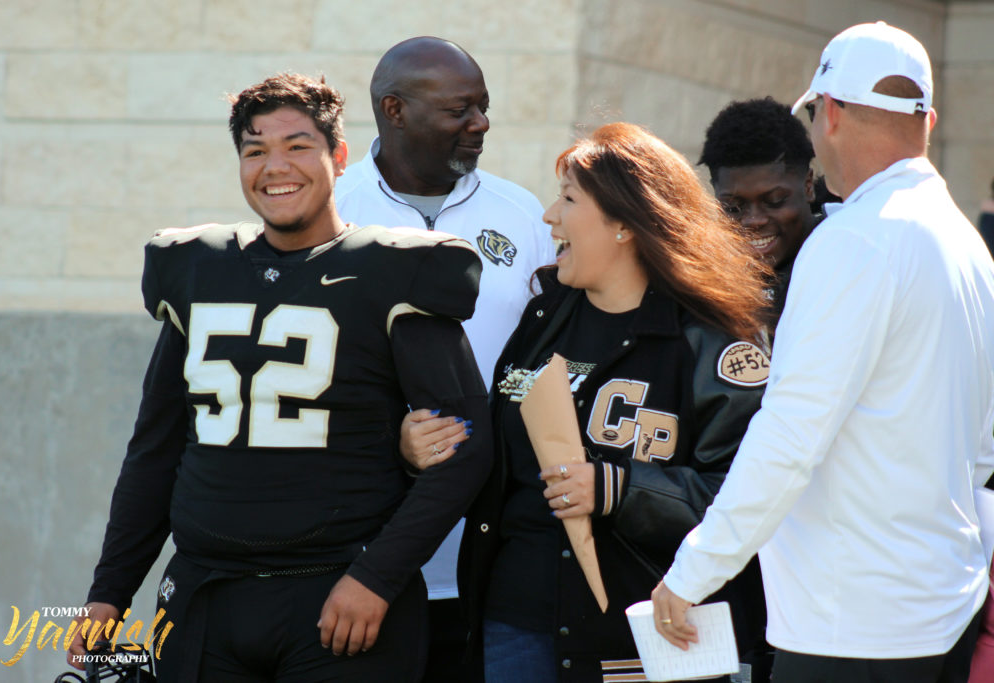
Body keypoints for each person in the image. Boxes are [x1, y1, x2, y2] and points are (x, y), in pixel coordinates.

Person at [66, 72, 492, 682]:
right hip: (203, 596)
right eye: (255, 150)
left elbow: (466, 449)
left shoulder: (398, 270)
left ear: (338, 157)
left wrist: (378, 577)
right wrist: (110, 591)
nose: (275, 167)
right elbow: (156, 450)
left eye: (297, 146)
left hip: (338, 597)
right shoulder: (197, 268)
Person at [653, 22, 994, 683]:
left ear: (829, 113)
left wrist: (692, 572)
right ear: (928, 119)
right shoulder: (966, 245)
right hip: (944, 608)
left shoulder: (854, 240)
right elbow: (981, 448)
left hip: (854, 625)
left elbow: (789, 434)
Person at [406, 121, 770, 682]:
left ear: (625, 223)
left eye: (569, 199)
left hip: (648, 634)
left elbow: (750, 496)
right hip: (513, 623)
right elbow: (498, 457)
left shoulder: (713, 342)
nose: (550, 216)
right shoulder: (544, 315)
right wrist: (424, 445)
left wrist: (617, 488)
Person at [334, 36, 553, 680]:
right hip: (361, 568)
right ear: (395, 111)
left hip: (495, 562)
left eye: (483, 107)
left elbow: (550, 366)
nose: (480, 124)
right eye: (460, 110)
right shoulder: (333, 210)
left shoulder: (524, 214)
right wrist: (390, 437)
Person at [699, 96, 818, 328]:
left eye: (774, 201)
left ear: (808, 186)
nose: (754, 220)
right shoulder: (703, 285)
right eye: (733, 207)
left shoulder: (841, 264)